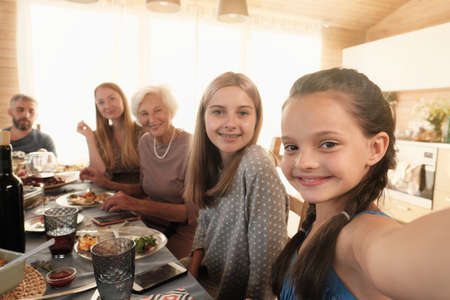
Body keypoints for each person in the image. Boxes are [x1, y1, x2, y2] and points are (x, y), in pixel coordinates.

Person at [271, 68, 450, 300]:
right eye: (291, 147)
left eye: (328, 144)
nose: (304, 162)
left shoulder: (360, 236)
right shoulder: (318, 220)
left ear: (375, 148)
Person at [184, 72, 289, 300]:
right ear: (204, 117)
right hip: (206, 281)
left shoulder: (256, 165)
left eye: (242, 113)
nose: (230, 124)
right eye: (218, 112)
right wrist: (189, 284)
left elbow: (267, 262)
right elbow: (203, 228)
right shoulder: (212, 161)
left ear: (256, 119)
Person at [81, 85, 196, 259]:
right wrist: (109, 186)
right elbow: (144, 188)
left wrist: (136, 205)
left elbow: (190, 214)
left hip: (181, 229)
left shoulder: (192, 146)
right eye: (144, 114)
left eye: (158, 110)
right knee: (101, 250)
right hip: (148, 222)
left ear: (171, 111)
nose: (152, 119)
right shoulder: (146, 141)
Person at [78, 82, 141, 184]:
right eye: (101, 102)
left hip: (139, 192)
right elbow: (99, 175)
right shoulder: (97, 136)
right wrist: (89, 138)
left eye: (112, 98)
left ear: (123, 99)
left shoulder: (141, 131)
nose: (107, 106)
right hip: (110, 193)